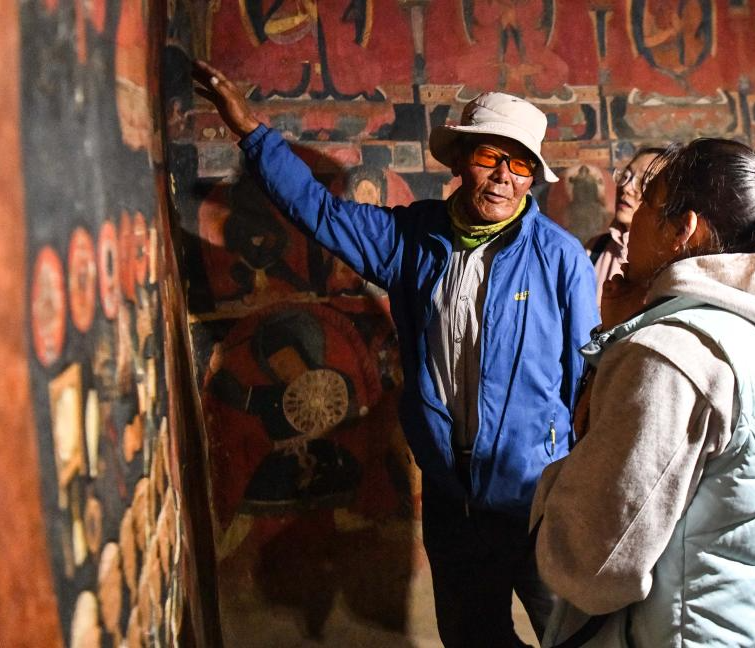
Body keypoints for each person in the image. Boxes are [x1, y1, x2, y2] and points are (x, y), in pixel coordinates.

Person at [192, 60, 599, 647]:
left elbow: (584, 382)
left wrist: (575, 484)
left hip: (537, 496)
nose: (503, 177)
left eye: (520, 165)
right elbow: (320, 212)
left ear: (532, 176)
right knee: (471, 636)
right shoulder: (411, 239)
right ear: (460, 161)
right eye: (490, 156)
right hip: (452, 497)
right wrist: (251, 134)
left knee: (573, 636)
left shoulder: (560, 258)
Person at [531, 138, 755, 646]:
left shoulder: (673, 355)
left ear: (682, 229)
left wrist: (547, 502)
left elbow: (591, 564)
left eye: (648, 203)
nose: (633, 218)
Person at [585, 146, 677, 306]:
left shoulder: (671, 265)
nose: (626, 188)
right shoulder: (594, 248)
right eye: (625, 176)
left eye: (645, 182)